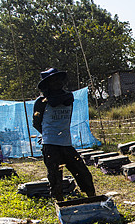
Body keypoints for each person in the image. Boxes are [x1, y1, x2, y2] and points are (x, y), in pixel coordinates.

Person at [32, 68, 96, 202]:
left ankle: (93, 198)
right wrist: (48, 135)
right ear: (47, 84)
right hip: (50, 145)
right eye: (53, 80)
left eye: (58, 79)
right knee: (55, 177)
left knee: (83, 172)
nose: (56, 83)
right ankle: (60, 203)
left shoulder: (68, 98)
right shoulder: (41, 102)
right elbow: (36, 123)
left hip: (66, 144)